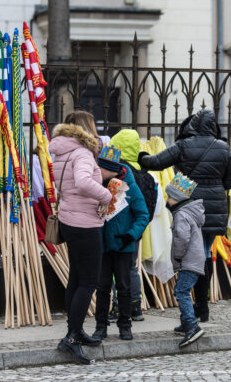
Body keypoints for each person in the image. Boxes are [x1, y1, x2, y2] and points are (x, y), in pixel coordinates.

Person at [138, 109, 231, 322]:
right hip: (214, 211)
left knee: (194, 257)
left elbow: (155, 162)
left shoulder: (184, 145)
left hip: (190, 207)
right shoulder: (224, 148)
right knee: (205, 254)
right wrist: (215, 185)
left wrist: (141, 157)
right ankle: (202, 306)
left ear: (193, 125)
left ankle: (193, 305)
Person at [48, 110, 112, 365]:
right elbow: (83, 182)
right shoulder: (83, 153)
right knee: (88, 282)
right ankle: (72, 338)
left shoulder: (63, 150)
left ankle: (74, 330)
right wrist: (106, 196)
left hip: (69, 219)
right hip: (85, 223)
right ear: (87, 128)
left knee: (76, 278)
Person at [92, 145, 150, 341]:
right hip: (102, 246)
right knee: (102, 288)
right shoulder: (96, 187)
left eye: (100, 168)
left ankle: (125, 325)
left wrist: (131, 235)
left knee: (124, 288)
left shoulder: (131, 187)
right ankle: (100, 326)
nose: (97, 170)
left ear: (110, 169)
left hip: (123, 246)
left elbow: (143, 215)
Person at [109, 129, 158, 322]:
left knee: (116, 268)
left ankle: (119, 307)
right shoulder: (143, 172)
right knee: (131, 267)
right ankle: (136, 306)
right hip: (137, 228)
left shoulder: (120, 171)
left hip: (119, 228)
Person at [166, 172, 206, 348]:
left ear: (177, 198)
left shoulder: (181, 214)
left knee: (181, 291)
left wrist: (178, 256)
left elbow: (182, 238)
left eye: (170, 197)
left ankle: (191, 325)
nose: (167, 200)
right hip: (195, 259)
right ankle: (185, 322)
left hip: (189, 260)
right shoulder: (189, 212)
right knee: (183, 289)